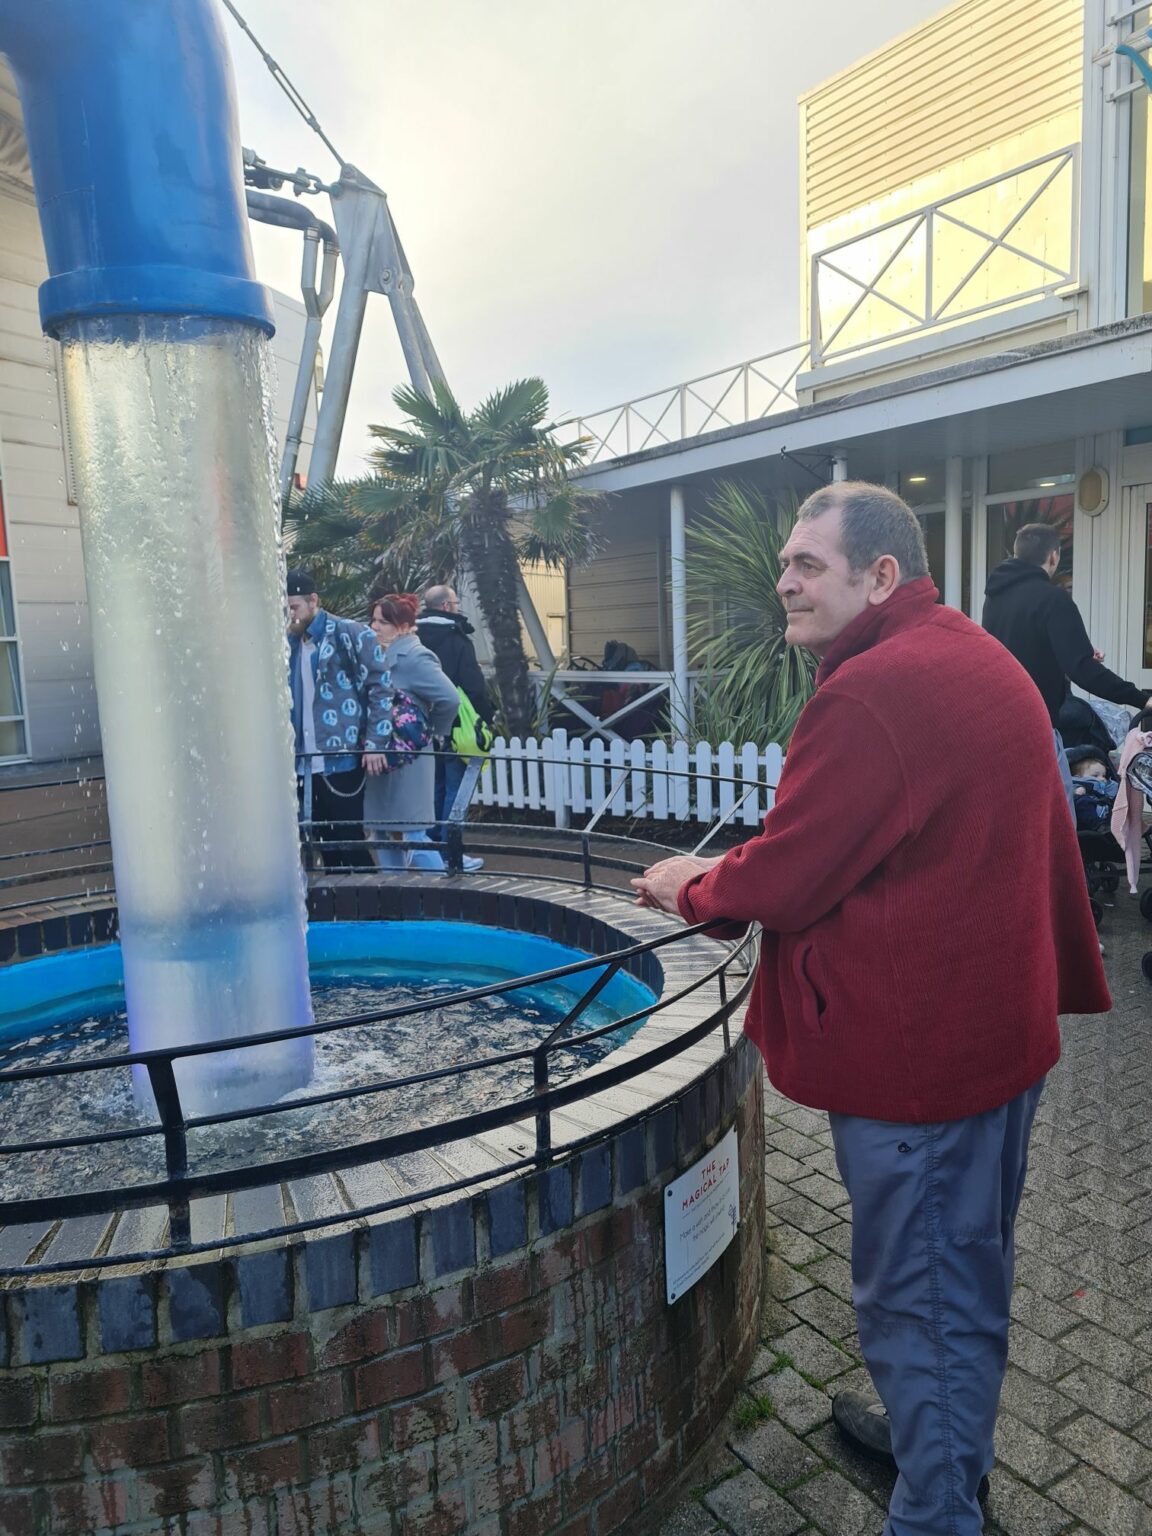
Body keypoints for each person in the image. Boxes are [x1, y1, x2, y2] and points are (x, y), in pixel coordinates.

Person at [630, 483, 1110, 1536]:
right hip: (996, 1042)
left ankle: (937, 1509)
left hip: (922, 1068)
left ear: (881, 575)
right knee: (963, 1274)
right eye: (786, 562)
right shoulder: (970, 653)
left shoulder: (870, 693)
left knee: (921, 1298)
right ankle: (941, 1446)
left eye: (808, 564)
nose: (784, 581)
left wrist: (689, 886)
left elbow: (792, 872)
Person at [983, 523, 1151, 813]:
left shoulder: (994, 600)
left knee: (1013, 815)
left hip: (996, 727)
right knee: (1058, 819)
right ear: (1053, 556)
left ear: (1016, 553)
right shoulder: (1053, 599)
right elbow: (1082, 670)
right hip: (1034, 729)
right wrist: (1141, 699)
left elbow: (1019, 652)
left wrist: (1071, 652)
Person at [286, 569, 393, 869]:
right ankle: (338, 898)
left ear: (313, 600)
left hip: (341, 757)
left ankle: (368, 897)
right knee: (321, 843)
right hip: (303, 760)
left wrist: (376, 742)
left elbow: (381, 686)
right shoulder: (290, 642)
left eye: (294, 607)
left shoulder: (349, 632)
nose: (289, 615)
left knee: (350, 840)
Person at [363, 594, 463, 869]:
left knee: (413, 834)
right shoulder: (378, 654)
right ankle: (395, 891)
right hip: (382, 758)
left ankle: (443, 891)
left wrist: (429, 731)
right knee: (382, 833)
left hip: (409, 759)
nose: (375, 627)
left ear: (404, 626)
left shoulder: (416, 657)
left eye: (383, 622)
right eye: (374, 620)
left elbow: (449, 699)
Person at [416, 584, 494, 852]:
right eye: (456, 603)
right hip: (455, 724)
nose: (458, 607)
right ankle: (450, 847)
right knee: (455, 787)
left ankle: (430, 842)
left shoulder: (414, 637)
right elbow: (473, 686)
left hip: (422, 724)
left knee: (433, 785)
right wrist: (485, 717)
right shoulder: (457, 638)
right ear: (446, 606)